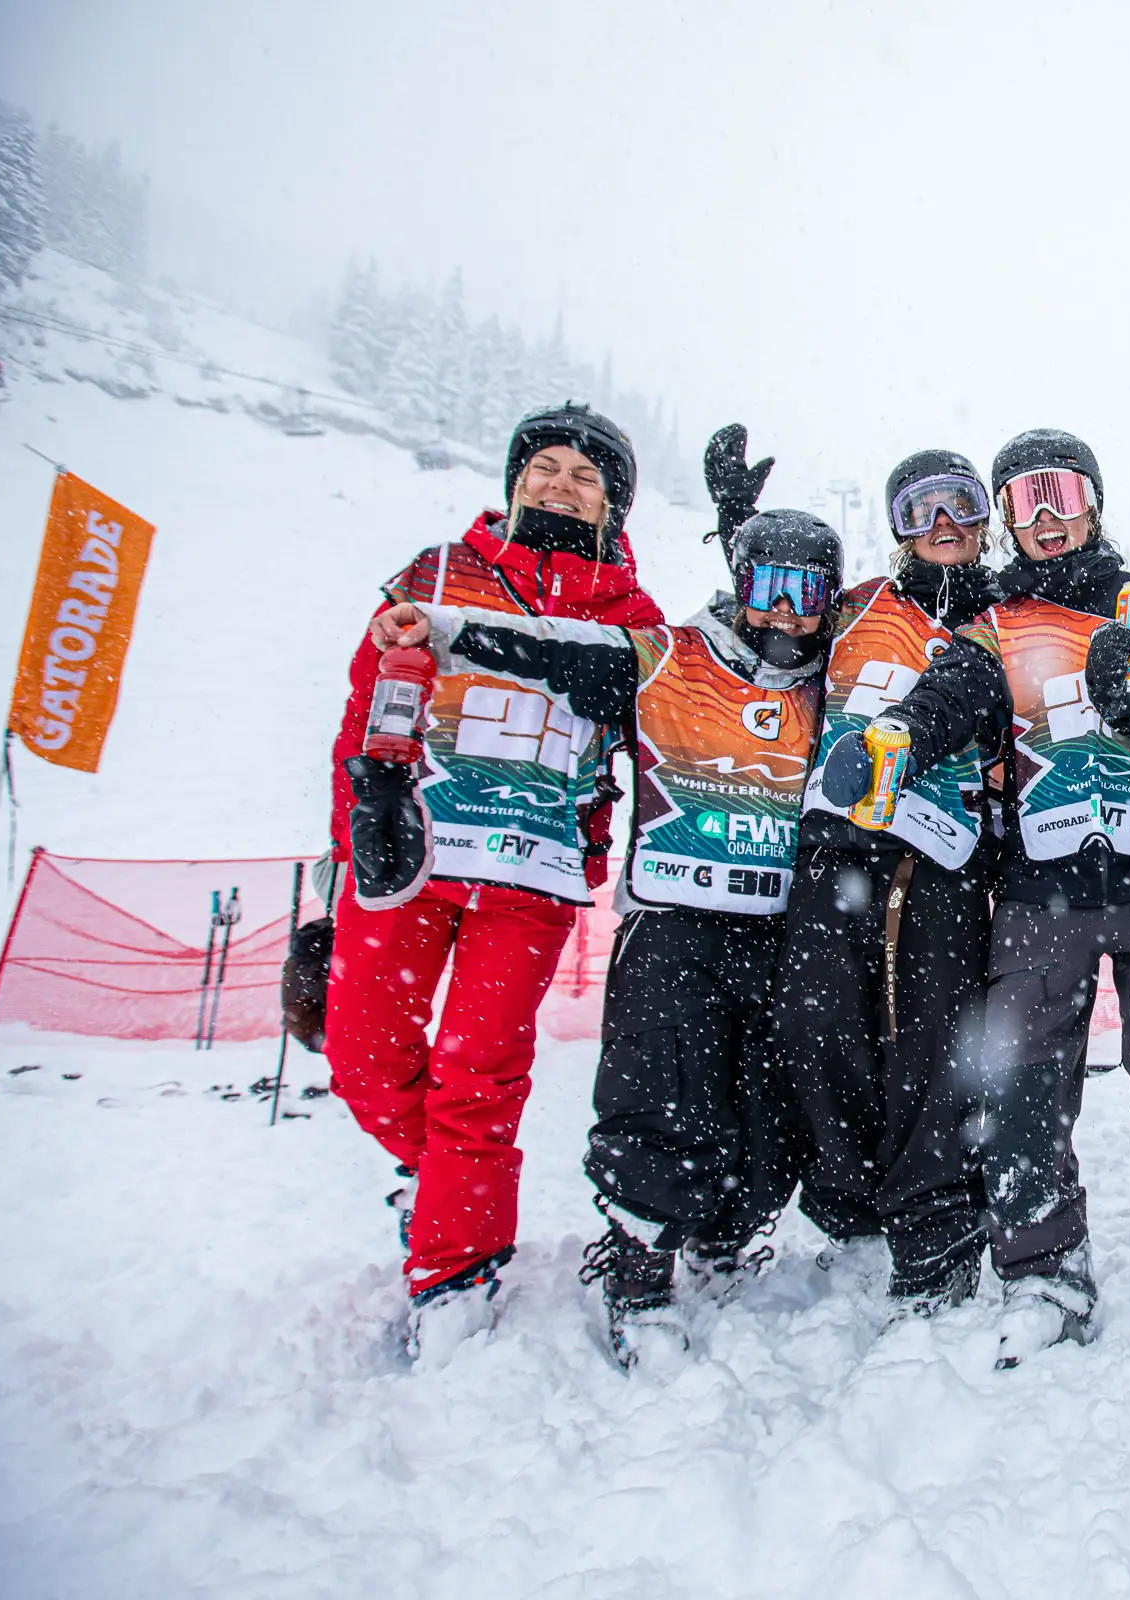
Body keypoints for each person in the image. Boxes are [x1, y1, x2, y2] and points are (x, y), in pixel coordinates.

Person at [365, 496, 839, 1369]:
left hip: (778, 934)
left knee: (771, 1113)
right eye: (768, 585)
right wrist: (442, 628)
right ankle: (638, 1266)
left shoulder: (834, 683)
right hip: (674, 926)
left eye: (808, 592)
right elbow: (551, 647)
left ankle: (725, 1233)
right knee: (659, 1098)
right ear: (741, 585)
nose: (785, 610)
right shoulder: (667, 657)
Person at [832, 429, 1130, 1367]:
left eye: (1061, 491)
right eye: (1022, 499)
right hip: (1038, 886)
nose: (1047, 514)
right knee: (1021, 1081)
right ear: (1008, 522)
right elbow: (948, 698)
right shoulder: (996, 622)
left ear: (1094, 501)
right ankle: (1042, 1268)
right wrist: (898, 738)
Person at [327, 404, 662, 1362]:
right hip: (411, 856)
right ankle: (439, 1180)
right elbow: (364, 706)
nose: (561, 484)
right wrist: (353, 831)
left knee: (480, 1073)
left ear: (612, 505)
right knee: (361, 1053)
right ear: (515, 479)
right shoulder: (436, 573)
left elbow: (648, 727)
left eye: (585, 476)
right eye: (544, 466)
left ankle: (454, 1271)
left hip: (531, 870)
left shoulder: (632, 615)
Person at [752, 436, 1001, 1320]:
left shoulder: (1001, 618)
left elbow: (969, 696)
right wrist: (739, 532)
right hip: (834, 848)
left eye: (960, 503)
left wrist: (905, 735)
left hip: (940, 857)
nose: (943, 523)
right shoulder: (857, 605)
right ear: (897, 528)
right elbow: (772, 629)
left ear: (985, 520)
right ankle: (851, 1202)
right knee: (816, 1026)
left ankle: (936, 1221)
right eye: (919, 509)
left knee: (932, 1044)